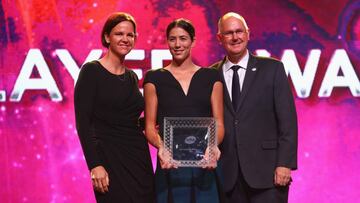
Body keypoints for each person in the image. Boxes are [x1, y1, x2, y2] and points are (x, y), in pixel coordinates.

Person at [211, 12, 298, 203]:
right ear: (219, 38)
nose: (235, 37)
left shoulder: (273, 69)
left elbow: (288, 121)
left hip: (268, 175)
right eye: (228, 33)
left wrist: (285, 164)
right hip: (227, 176)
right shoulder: (210, 75)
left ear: (248, 33)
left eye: (239, 31)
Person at [74, 12, 154, 203]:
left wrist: (155, 122)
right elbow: (83, 123)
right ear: (107, 37)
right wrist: (95, 165)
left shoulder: (132, 77)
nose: (125, 39)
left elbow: (124, 119)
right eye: (119, 34)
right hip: (108, 160)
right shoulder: (91, 71)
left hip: (138, 157)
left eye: (130, 35)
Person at [143, 18, 225, 203]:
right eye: (172, 39)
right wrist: (161, 148)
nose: (177, 44)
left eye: (183, 38)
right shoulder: (154, 78)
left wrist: (213, 147)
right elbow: (149, 127)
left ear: (193, 41)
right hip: (170, 164)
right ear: (167, 42)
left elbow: (219, 122)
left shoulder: (211, 76)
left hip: (205, 165)